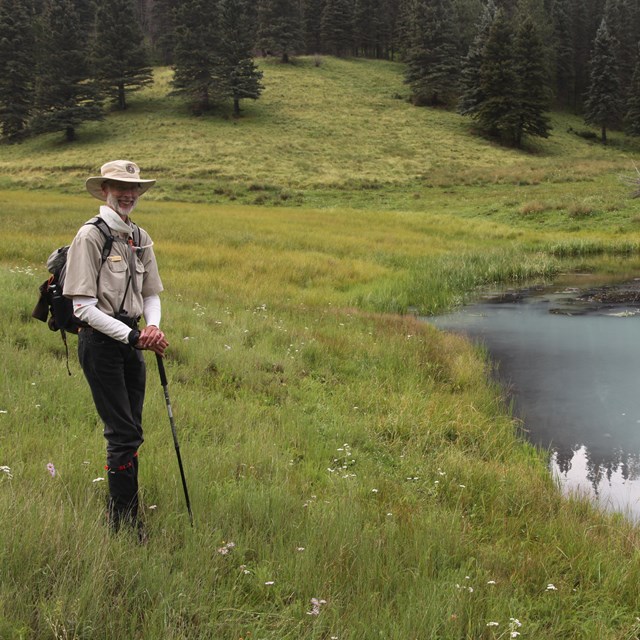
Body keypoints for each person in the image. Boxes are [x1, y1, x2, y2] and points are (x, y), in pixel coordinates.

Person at [63, 160, 168, 534]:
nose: (128, 194)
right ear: (105, 190)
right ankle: (124, 522)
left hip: (133, 341)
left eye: (133, 188)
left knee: (132, 430)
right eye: (119, 187)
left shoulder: (140, 237)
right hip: (102, 343)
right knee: (122, 433)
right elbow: (81, 307)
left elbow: (150, 293)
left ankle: (122, 512)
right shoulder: (90, 236)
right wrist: (133, 337)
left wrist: (151, 328)